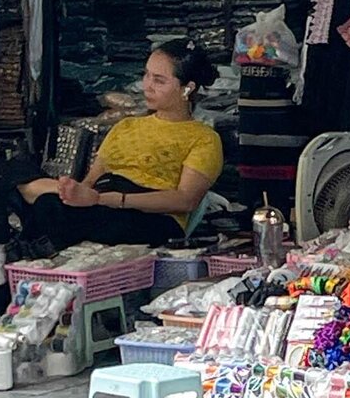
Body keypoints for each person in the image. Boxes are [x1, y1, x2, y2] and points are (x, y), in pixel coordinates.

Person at [15, 39, 223, 249]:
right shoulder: (126, 126)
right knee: (8, 171)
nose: (147, 86)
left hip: (150, 215)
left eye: (159, 81)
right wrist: (74, 192)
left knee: (49, 208)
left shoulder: (203, 138)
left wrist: (113, 200)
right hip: (102, 200)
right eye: (146, 75)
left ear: (187, 89)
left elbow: (185, 201)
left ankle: (32, 243)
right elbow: (90, 182)